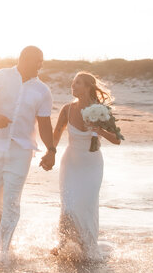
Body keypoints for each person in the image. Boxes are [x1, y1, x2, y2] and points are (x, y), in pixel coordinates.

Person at [0, 46, 55, 257]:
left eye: (41, 61)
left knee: (11, 201)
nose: (40, 65)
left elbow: (44, 123)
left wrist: (51, 150)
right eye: (36, 60)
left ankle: (4, 251)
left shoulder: (42, 91)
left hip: (21, 151)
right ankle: (4, 240)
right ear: (22, 59)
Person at [51, 72, 121, 260]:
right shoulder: (67, 109)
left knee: (86, 206)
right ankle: (64, 244)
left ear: (88, 86)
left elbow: (117, 140)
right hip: (71, 164)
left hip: (92, 165)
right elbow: (56, 133)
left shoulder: (101, 111)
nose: (73, 86)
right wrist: (50, 152)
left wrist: (100, 131)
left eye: (78, 83)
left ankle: (88, 247)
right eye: (73, 83)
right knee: (68, 207)